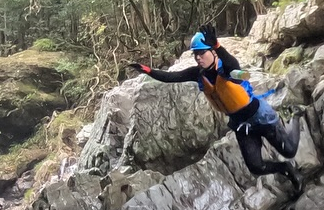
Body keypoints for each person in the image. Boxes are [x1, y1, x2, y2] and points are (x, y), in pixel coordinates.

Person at [129, 26, 303, 188]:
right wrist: (147, 70)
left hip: (260, 117)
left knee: (289, 150)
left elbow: (233, 64)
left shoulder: (227, 69)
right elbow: (170, 77)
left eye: (202, 53)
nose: (198, 58)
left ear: (213, 52)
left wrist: (218, 45)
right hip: (242, 126)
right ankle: (285, 168)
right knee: (256, 167)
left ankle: (295, 116)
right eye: (195, 54)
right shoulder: (198, 74)